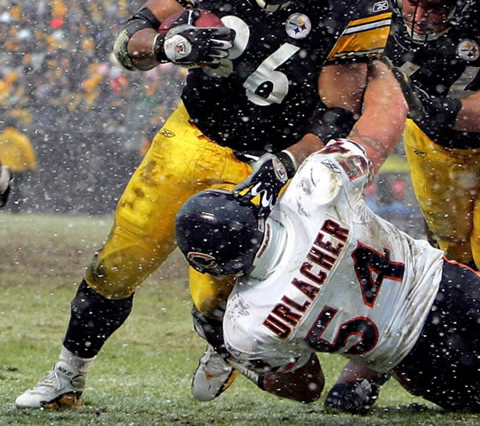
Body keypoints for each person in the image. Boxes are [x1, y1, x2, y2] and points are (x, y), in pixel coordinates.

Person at [15, 0, 406, 410]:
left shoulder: (346, 2)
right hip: (194, 136)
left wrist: (287, 163)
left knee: (218, 301)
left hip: (269, 159)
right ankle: (67, 375)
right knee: (121, 260)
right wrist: (169, 45)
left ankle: (222, 344)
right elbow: (126, 45)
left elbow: (334, 115)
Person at [175, 138, 480, 412]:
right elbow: (386, 113)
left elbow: (307, 388)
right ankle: (362, 376)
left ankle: (364, 375)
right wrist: (287, 160)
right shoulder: (313, 189)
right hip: (455, 293)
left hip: (422, 364)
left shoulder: (247, 324)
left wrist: (237, 356)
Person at [326, 0, 480, 415]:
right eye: (414, 0)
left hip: (461, 130)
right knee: (448, 259)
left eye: (436, 7)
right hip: (432, 147)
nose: (420, 15)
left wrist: (442, 110)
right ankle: (386, 367)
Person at [0, 116, 37, 212]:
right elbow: (28, 154)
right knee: (17, 190)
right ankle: (15, 209)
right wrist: (31, 166)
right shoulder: (21, 139)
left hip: (2, 168)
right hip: (17, 169)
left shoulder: (1, 138)